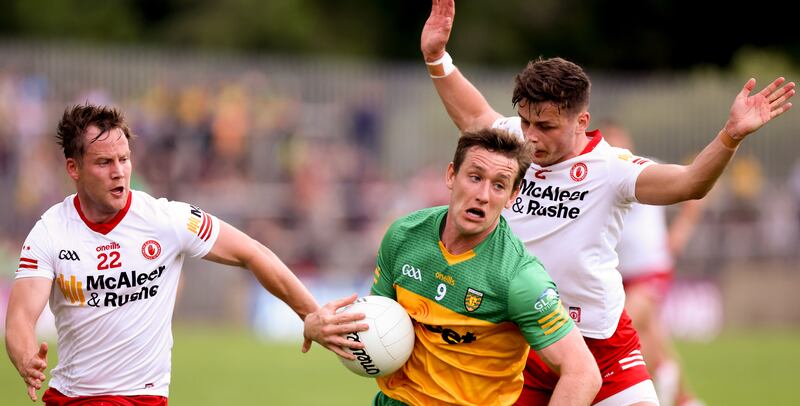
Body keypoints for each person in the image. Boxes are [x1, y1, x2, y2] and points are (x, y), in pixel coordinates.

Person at [420, 1, 794, 404]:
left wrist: (730, 136)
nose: (530, 136)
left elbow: (689, 183)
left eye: (545, 126)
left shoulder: (610, 168)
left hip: (599, 342)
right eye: (525, 121)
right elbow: (473, 115)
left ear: (581, 121)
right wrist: (437, 58)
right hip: (520, 344)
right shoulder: (513, 141)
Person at [4, 104, 368, 404]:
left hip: (142, 398)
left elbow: (253, 253)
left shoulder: (167, 220)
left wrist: (313, 313)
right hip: (70, 397)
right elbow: (20, 316)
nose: (119, 173)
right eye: (104, 163)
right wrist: (24, 357)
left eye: (124, 159)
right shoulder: (51, 230)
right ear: (74, 168)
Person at [370, 128, 601, 406]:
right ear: (451, 175)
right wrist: (322, 326)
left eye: (499, 185)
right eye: (475, 177)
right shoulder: (404, 235)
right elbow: (373, 325)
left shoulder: (520, 277)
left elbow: (583, 373)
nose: (483, 195)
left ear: (513, 195)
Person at [603, 122, 705, 406]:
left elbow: (694, 192)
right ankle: (684, 398)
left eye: (619, 141)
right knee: (652, 335)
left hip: (650, 268)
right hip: (619, 273)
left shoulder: (645, 169)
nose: (615, 148)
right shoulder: (600, 175)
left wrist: (679, 233)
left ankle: (635, 388)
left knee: (623, 327)